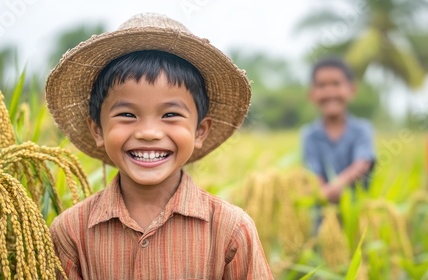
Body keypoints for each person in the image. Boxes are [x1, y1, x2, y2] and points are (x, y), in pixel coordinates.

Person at [45, 14, 272, 279]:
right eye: (127, 115)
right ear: (98, 130)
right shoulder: (71, 231)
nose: (149, 133)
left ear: (200, 131)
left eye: (170, 115)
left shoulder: (231, 230)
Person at [301, 57, 376, 203]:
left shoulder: (362, 130)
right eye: (321, 85)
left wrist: (329, 191)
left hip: (358, 216)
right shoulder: (309, 135)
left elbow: (362, 164)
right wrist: (321, 192)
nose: (329, 91)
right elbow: (313, 177)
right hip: (322, 219)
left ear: (352, 90)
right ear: (312, 94)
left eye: (336, 84)